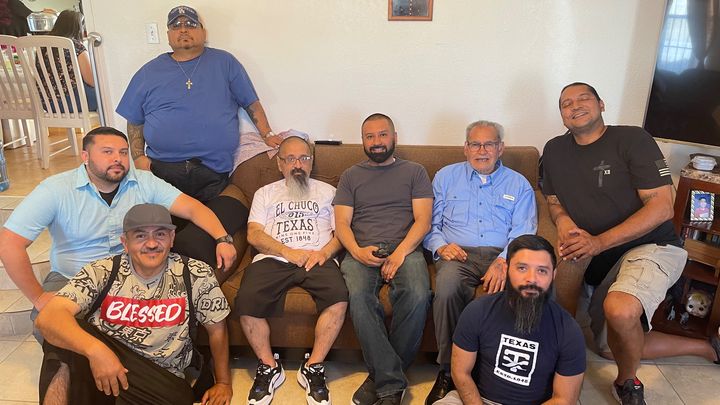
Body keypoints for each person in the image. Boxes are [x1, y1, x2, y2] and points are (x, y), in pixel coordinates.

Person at [543, 82, 720, 404]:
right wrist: (564, 221)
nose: (575, 105)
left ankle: (628, 382)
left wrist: (599, 242)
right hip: (602, 262)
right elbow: (553, 200)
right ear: (561, 114)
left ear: (601, 104)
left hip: (652, 246)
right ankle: (706, 347)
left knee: (621, 309)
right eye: (566, 103)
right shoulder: (554, 150)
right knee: (608, 347)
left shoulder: (633, 139)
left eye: (584, 98)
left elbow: (662, 207)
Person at [0, 126, 236, 341]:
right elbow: (9, 243)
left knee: (168, 318)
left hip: (133, 274)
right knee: (48, 325)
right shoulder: (56, 189)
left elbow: (193, 208)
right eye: (107, 152)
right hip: (73, 275)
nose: (117, 159)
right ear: (85, 157)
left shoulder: (144, 182)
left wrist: (222, 238)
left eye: (123, 153)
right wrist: (39, 297)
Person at [35, 204, 232, 405]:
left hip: (160, 379)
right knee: (60, 332)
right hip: (105, 367)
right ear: (125, 242)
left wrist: (223, 382)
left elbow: (217, 330)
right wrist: (96, 351)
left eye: (160, 234)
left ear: (172, 238)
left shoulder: (196, 273)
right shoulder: (101, 271)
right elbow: (47, 318)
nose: (152, 243)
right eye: (140, 236)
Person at [116, 5, 280, 204]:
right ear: (168, 35)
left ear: (203, 32)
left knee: (226, 214)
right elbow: (134, 118)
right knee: (152, 220)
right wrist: (138, 157)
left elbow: (250, 102)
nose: (183, 29)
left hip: (213, 172)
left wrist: (267, 134)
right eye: (176, 26)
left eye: (190, 24)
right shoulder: (148, 72)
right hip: (161, 172)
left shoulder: (225, 62)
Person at [422, 120, 537, 404]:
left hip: (503, 253)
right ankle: (448, 370)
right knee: (447, 288)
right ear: (466, 148)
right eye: (475, 144)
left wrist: (504, 260)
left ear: (501, 148)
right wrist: (440, 246)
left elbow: (524, 231)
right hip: (458, 254)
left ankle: (501, 370)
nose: (482, 150)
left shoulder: (519, 184)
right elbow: (429, 224)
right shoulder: (445, 177)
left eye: (489, 144)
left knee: (525, 288)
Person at [235, 137, 348, 405]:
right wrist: (286, 251)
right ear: (280, 163)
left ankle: (313, 366)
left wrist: (323, 253)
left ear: (311, 162)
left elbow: (342, 234)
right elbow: (253, 234)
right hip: (273, 258)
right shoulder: (265, 193)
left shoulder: (329, 192)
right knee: (246, 301)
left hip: (317, 257)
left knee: (339, 297)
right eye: (290, 159)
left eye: (304, 158)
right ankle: (268, 366)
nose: (298, 165)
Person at [334, 113, 434, 405]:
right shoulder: (350, 176)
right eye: (370, 136)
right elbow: (341, 224)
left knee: (417, 294)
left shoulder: (415, 172)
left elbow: (423, 220)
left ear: (394, 138)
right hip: (362, 248)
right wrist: (356, 251)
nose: (376, 141)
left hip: (406, 248)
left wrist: (400, 252)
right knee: (358, 297)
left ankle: (381, 379)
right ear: (362, 141)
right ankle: (392, 383)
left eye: (382, 135)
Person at [434, 234, 585, 405]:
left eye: (542, 271)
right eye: (522, 268)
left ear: (553, 275)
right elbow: (461, 373)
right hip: (479, 399)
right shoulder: (477, 311)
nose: (532, 279)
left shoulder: (569, 330)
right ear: (506, 270)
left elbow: (564, 399)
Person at [36, 9, 97, 112]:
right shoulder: (75, 46)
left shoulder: (42, 46)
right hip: (73, 102)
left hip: (49, 104)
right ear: (78, 28)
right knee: (108, 95)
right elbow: (91, 81)